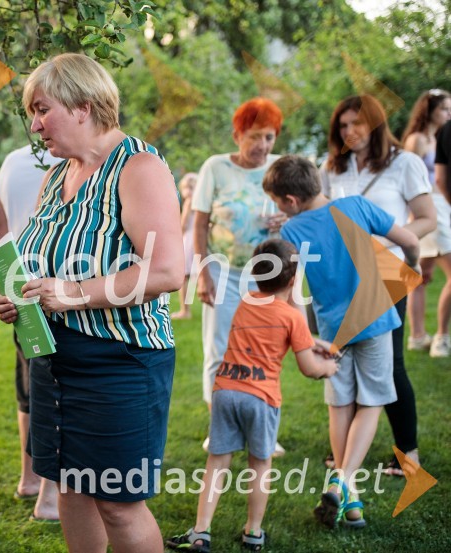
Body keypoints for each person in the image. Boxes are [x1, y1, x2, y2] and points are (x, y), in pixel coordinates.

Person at [0, 53, 184, 553]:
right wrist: (17, 295)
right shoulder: (57, 176)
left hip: (119, 361)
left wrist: (71, 294)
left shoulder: (138, 167)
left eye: (42, 110)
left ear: (82, 106)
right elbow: (42, 264)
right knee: (71, 487)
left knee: (118, 503)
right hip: (54, 360)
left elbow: (167, 271)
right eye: (32, 114)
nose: (35, 125)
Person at [264, 155, 420, 528]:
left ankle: (351, 501)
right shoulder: (356, 206)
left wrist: (303, 335)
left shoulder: (291, 231)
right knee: (373, 401)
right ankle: (344, 480)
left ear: (289, 200)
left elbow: (291, 290)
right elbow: (410, 240)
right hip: (377, 319)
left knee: (340, 406)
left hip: (333, 332)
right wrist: (412, 265)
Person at [167, 239, 337, 552]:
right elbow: (309, 368)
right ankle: (253, 532)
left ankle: (200, 532)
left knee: (217, 462)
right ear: (293, 281)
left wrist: (313, 342)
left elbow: (279, 332)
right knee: (259, 464)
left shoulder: (247, 302)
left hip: (226, 392)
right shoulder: (292, 317)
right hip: (261, 398)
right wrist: (329, 368)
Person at [320, 94, 436, 478]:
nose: (349, 131)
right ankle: (345, 450)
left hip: (388, 270)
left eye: (356, 123)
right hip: (342, 273)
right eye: (342, 125)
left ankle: (407, 454)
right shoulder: (332, 168)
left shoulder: (405, 163)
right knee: (344, 359)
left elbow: (427, 218)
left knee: (391, 362)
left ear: (375, 123)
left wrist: (388, 238)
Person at [191, 97, 286, 454]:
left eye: (269, 137)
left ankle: (264, 431)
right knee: (220, 350)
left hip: (268, 274)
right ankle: (220, 430)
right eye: (255, 136)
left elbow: (304, 209)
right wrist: (203, 274)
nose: (262, 145)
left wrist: (287, 218)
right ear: (237, 135)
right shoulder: (215, 167)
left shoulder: (279, 168)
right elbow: (200, 224)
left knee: (265, 351)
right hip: (223, 270)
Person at [0, 144, 60, 521]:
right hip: (56, 292)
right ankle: (50, 494)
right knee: (53, 391)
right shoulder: (75, 160)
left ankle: (29, 479)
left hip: (17, 288)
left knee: (28, 386)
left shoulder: (11, 161)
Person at [402, 89, 451, 358]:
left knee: (421, 277)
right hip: (428, 209)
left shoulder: (439, 138)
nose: (449, 114)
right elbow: (408, 179)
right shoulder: (417, 140)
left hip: (442, 207)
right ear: (429, 110)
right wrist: (414, 218)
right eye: (444, 109)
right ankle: (441, 337)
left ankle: (418, 336)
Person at [173, 172, 198, 319]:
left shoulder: (189, 202)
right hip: (196, 239)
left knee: (184, 276)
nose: (187, 191)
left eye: (190, 187)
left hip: (189, 240)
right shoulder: (201, 203)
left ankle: (185, 311)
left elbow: (183, 225)